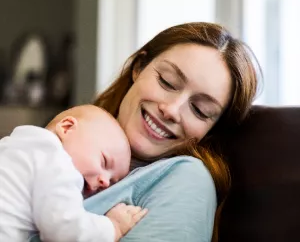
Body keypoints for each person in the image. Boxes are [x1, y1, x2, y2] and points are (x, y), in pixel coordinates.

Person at [31, 22, 260, 242]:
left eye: (200, 110)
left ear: (211, 130)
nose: (171, 110)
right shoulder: (69, 136)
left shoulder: (187, 179)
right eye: (167, 82)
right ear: (139, 68)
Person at [0, 105, 147, 242]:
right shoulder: (56, 159)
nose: (106, 183)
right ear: (67, 128)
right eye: (104, 161)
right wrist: (114, 227)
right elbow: (64, 228)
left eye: (113, 182)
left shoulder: (16, 145)